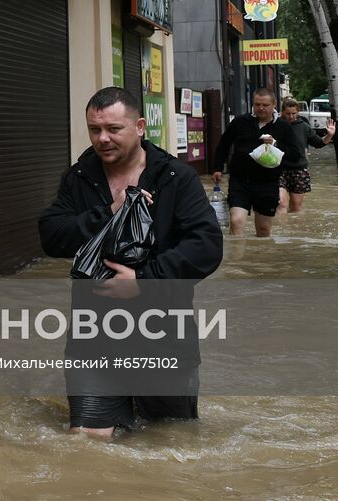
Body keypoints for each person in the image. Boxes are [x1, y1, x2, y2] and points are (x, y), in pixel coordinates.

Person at [38, 86, 223, 436]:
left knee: (170, 439)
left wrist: (143, 281)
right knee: (88, 439)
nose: (102, 138)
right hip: (94, 336)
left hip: (164, 335)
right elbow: (51, 235)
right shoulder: (79, 179)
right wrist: (109, 212)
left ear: (139, 126)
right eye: (95, 129)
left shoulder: (175, 178)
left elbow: (206, 246)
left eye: (113, 129)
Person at [213, 87, 291, 238]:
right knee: (236, 221)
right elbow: (223, 145)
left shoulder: (283, 127)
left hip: (267, 183)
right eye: (257, 104)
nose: (261, 108)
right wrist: (217, 168)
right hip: (240, 181)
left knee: (263, 230)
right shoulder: (240, 122)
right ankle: (238, 259)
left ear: (274, 104)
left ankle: (260, 260)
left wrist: (275, 144)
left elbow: (293, 153)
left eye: (265, 105)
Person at [275, 96, 335, 215]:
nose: (291, 116)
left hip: (299, 170)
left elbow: (318, 143)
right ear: (282, 112)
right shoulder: (276, 124)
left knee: (296, 207)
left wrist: (329, 135)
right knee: (281, 203)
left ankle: (294, 230)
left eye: (294, 113)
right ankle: (280, 231)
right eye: (288, 113)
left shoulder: (304, 126)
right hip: (279, 168)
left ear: (298, 112)